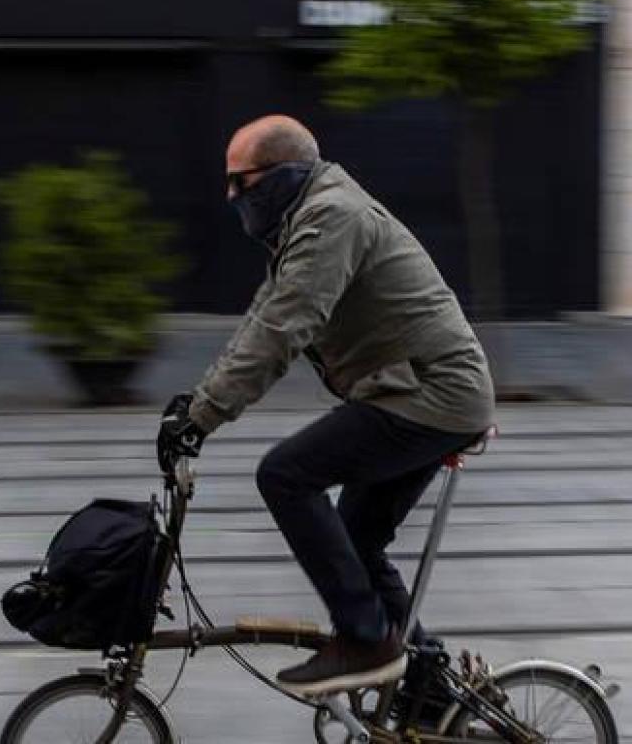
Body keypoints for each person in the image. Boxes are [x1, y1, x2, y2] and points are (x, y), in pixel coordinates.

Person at [157, 115, 495, 697]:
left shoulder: (332, 217)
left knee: (285, 474)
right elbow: (266, 317)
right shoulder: (313, 217)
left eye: (243, 181)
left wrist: (203, 417)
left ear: (286, 175)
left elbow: (286, 326)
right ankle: (429, 689)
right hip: (424, 393)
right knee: (358, 540)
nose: (231, 195)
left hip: (427, 396)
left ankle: (366, 639)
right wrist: (197, 402)